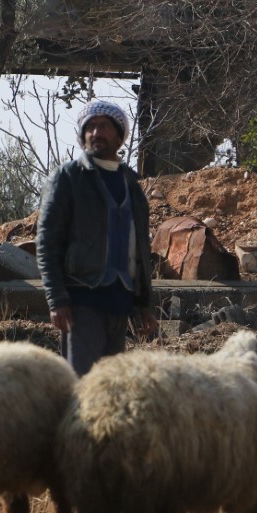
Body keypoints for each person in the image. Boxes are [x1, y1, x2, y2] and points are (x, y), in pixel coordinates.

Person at [36, 100, 158, 376]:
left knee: (110, 388)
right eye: (89, 127)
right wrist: (57, 299)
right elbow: (47, 241)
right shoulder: (67, 177)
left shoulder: (132, 185)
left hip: (120, 302)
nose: (95, 132)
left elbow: (139, 248)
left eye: (103, 126)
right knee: (81, 387)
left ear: (119, 135)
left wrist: (142, 304)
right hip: (82, 301)